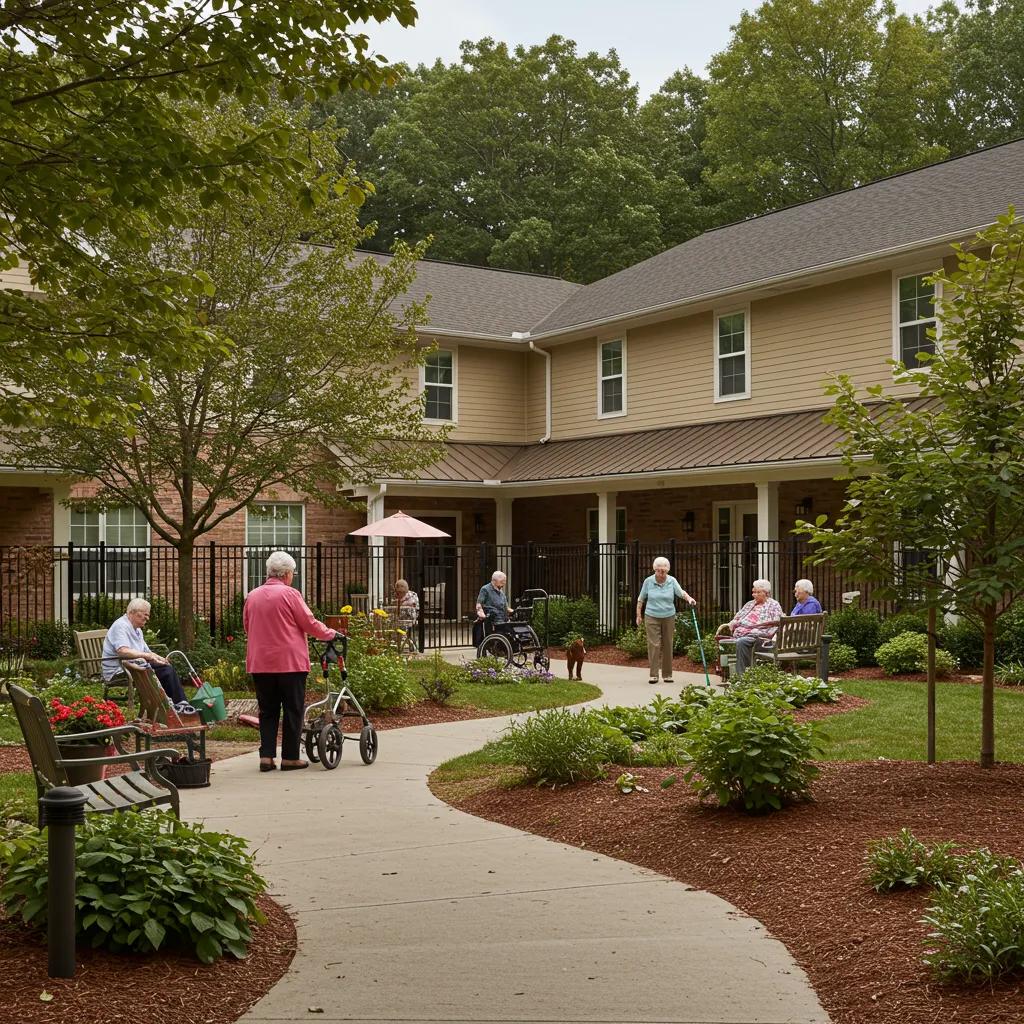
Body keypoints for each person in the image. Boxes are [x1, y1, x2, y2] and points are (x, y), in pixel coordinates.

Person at [244, 550, 339, 773]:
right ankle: (290, 758)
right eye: (293, 573)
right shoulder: (290, 594)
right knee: (292, 709)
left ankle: (266, 757)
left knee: (267, 711)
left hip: (261, 663)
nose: (292, 577)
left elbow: (247, 626)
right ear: (286, 573)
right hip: (290, 663)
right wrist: (330, 634)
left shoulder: (252, 596)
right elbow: (309, 623)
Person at [103, 598, 195, 713]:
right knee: (165, 671)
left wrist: (159, 658)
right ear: (133, 612)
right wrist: (149, 657)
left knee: (165, 667)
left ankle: (176, 706)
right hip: (119, 671)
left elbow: (147, 652)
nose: (147, 618)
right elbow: (123, 651)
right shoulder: (120, 626)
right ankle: (178, 706)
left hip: (133, 666)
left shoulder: (137, 630)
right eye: (145, 614)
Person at [636, 557, 696, 685]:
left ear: (667, 570)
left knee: (668, 644)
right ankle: (654, 675)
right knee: (654, 645)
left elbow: (681, 593)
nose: (661, 573)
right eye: (659, 571)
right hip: (651, 615)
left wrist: (689, 599)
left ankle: (667, 675)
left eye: (664, 571)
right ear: (655, 570)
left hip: (669, 615)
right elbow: (641, 599)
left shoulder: (672, 580)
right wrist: (638, 615)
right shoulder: (648, 581)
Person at [715, 579, 785, 680]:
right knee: (726, 642)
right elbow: (737, 617)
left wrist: (753, 630)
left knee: (742, 642)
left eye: (757, 592)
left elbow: (775, 623)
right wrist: (733, 623)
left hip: (762, 638)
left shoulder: (773, 605)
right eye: (753, 592)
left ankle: (742, 677)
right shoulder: (750, 604)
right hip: (743, 634)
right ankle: (727, 674)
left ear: (766, 593)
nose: (754, 595)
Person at [394, 578, 419, 652]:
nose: (400, 593)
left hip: (409, 618)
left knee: (400, 627)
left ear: (405, 589)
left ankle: (404, 644)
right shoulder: (396, 595)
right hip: (399, 618)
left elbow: (413, 605)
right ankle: (399, 646)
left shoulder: (412, 595)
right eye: (398, 591)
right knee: (394, 625)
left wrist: (401, 602)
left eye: (401, 592)